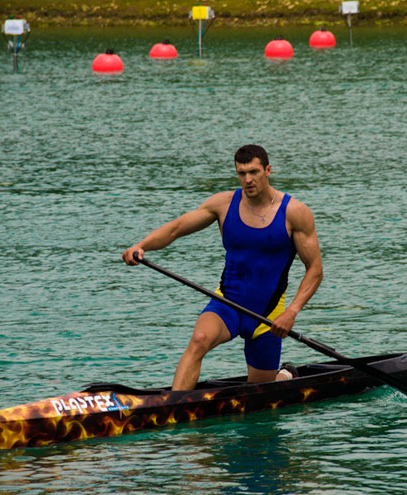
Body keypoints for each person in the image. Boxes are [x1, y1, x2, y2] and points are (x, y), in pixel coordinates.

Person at [122, 144, 323, 390]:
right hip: (226, 304)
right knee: (199, 340)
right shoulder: (223, 205)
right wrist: (142, 245)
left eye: (254, 172)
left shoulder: (295, 213)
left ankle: (285, 375)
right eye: (241, 173)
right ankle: (174, 408)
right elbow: (176, 228)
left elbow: (315, 269)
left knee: (261, 392)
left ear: (268, 170)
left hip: (267, 316)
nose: (247, 180)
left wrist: (291, 312)